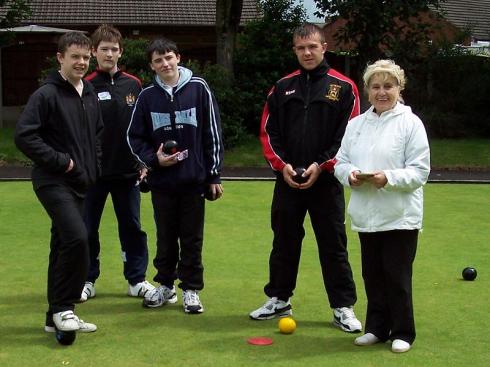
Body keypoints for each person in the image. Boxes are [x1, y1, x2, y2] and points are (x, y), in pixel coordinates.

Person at [250, 23, 362, 333]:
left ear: (324, 47)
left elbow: (348, 137)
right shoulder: (282, 86)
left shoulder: (344, 87)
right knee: (284, 241)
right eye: (301, 48)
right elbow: (267, 132)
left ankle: (343, 307)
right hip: (287, 179)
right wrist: (283, 165)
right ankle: (279, 298)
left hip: (325, 181)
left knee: (333, 244)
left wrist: (321, 165)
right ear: (295, 51)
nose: (307, 52)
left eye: (312, 46)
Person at [334, 59, 430, 353]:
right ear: (367, 90)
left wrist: (386, 178)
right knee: (372, 274)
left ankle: (402, 331)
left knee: (396, 276)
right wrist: (349, 175)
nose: (382, 92)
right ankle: (376, 327)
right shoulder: (356, 125)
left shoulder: (410, 123)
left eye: (388, 86)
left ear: (399, 89)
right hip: (367, 214)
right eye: (376, 86)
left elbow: (419, 171)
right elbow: (340, 161)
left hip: (400, 215)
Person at [15, 31, 103, 335]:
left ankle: (54, 316)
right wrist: (62, 161)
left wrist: (93, 167)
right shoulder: (46, 94)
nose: (80, 62)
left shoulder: (89, 92)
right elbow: (24, 136)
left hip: (81, 182)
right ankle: (66, 308)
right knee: (78, 239)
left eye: (84, 57)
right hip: (52, 180)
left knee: (62, 243)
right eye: (74, 56)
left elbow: (96, 136)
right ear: (60, 58)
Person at [127, 37, 224, 314]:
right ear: (152, 66)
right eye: (158, 60)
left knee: (192, 238)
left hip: (193, 181)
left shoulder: (199, 88)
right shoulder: (146, 97)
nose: (165, 63)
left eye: (169, 57)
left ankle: (191, 290)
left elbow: (212, 133)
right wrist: (152, 159)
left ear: (178, 58)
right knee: (165, 237)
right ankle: (166, 286)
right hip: (162, 183)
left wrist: (214, 175)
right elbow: (134, 137)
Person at [81, 24, 153, 302]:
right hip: (94, 173)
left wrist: (144, 161)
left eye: (114, 49)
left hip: (128, 172)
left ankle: (136, 280)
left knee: (132, 227)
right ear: (94, 52)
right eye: (103, 49)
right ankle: (87, 279)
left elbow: (144, 126)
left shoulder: (134, 84)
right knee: (87, 229)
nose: (109, 54)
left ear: (120, 52)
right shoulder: (85, 85)